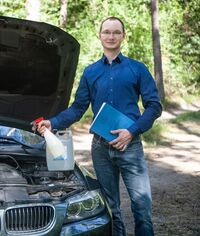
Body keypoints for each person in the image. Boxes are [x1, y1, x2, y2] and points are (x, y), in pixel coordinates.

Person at [34, 16, 162, 236]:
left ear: (123, 36)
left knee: (141, 207)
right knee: (111, 209)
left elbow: (154, 106)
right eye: (106, 32)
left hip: (130, 146)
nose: (111, 36)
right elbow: (77, 109)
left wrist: (131, 131)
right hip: (101, 149)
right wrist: (52, 122)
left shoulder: (137, 69)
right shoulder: (90, 72)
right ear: (100, 35)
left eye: (116, 32)